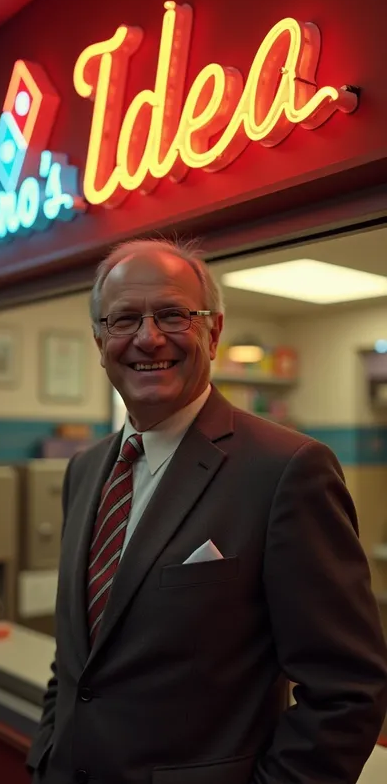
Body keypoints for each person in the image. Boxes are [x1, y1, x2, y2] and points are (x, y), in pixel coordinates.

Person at [27, 238, 387, 784]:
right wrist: (45, 758)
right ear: (100, 340)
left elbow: (346, 691)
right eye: (124, 319)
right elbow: (77, 664)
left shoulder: (287, 470)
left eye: (173, 314)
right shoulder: (85, 469)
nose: (148, 338)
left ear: (213, 332)